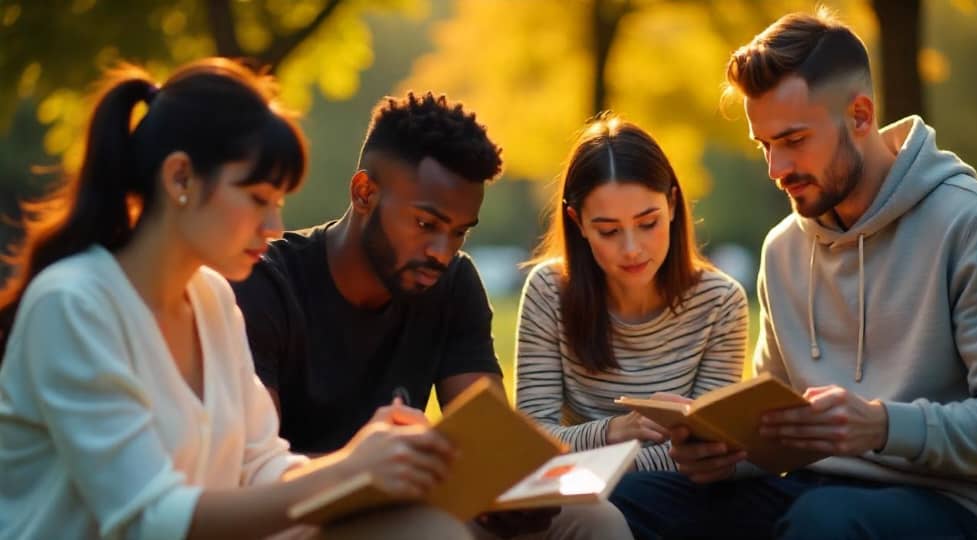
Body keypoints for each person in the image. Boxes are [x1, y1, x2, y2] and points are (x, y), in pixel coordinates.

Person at [610, 10, 977, 540]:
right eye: (765, 145)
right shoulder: (783, 249)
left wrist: (884, 425)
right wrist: (724, 453)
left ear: (860, 114)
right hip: (815, 490)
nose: (776, 169)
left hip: (961, 503)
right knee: (631, 500)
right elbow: (779, 431)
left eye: (794, 140)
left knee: (823, 522)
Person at [0, 59, 468, 540]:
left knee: (426, 528)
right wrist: (348, 472)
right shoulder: (74, 304)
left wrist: (369, 459)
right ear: (180, 178)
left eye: (278, 202)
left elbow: (261, 465)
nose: (273, 227)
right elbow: (150, 520)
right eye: (257, 197)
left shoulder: (213, 298)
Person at [231, 93, 630, 539]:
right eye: (426, 225)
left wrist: (511, 490)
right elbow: (252, 467)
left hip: (409, 503)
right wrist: (367, 469)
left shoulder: (452, 284)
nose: (442, 253)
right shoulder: (267, 285)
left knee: (596, 520)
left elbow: (491, 440)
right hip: (296, 513)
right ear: (365, 193)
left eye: (458, 232)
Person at [516, 115, 748, 471]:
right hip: (579, 502)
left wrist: (596, 461)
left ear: (672, 205)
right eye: (608, 231)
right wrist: (613, 431)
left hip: (676, 500)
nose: (632, 249)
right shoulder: (548, 292)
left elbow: (705, 454)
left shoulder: (721, 303)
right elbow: (530, 440)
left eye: (647, 223)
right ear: (577, 223)